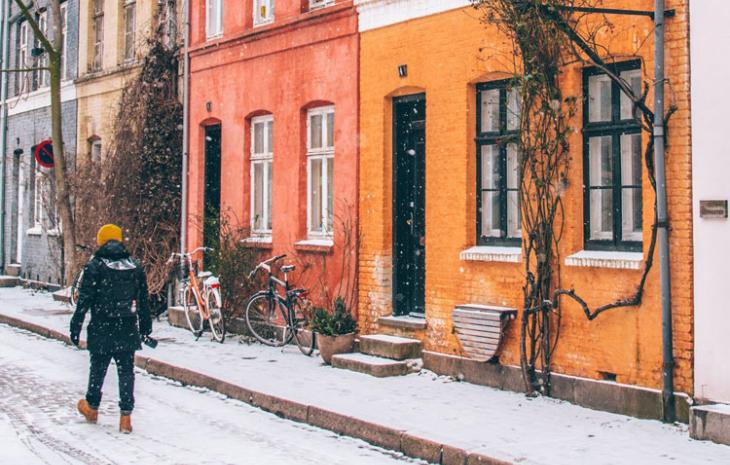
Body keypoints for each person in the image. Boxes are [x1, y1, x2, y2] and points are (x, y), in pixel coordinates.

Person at [70, 224, 152, 434]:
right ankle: (126, 417)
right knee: (126, 372)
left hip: (102, 326)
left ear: (101, 242)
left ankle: (92, 407)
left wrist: (76, 325)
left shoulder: (95, 266)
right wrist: (145, 328)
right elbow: (143, 300)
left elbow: (85, 299)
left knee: (98, 369)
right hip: (127, 326)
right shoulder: (135, 266)